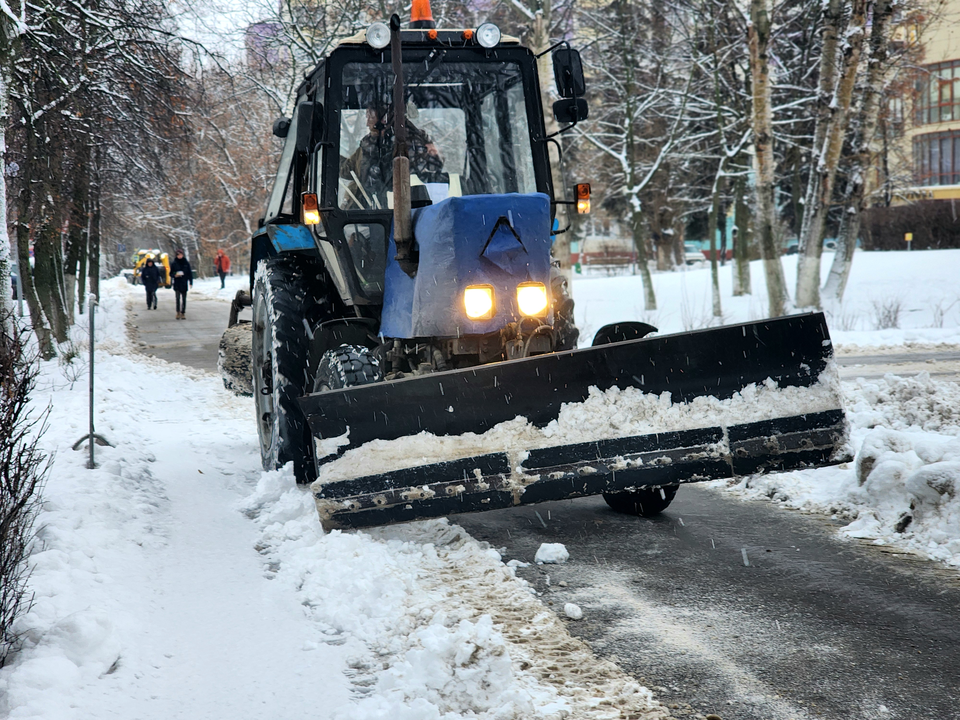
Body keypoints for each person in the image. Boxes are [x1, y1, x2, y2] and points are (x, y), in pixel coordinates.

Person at [339, 104, 445, 210]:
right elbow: (348, 169)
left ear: (385, 119)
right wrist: (330, 155)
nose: (367, 124)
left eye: (370, 117)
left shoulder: (411, 146)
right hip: (364, 212)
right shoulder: (366, 146)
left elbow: (422, 176)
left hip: (400, 211)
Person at [170, 248, 193, 319]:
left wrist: (190, 282)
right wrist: (175, 275)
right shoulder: (174, 263)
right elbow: (171, 273)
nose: (180, 256)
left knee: (184, 298)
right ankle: (178, 312)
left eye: (181, 255)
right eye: (178, 255)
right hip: (177, 282)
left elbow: (189, 273)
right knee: (177, 298)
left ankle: (183, 312)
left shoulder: (186, 263)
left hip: (184, 282)